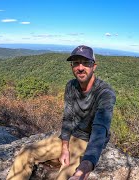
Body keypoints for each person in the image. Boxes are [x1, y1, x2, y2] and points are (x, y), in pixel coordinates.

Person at [6, 45, 116, 180]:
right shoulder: (71, 86)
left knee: (64, 176)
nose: (80, 68)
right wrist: (65, 147)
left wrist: (86, 165)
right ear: (71, 66)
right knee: (26, 153)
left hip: (88, 142)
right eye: (76, 63)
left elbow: (100, 128)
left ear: (94, 66)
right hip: (71, 137)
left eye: (86, 63)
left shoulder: (105, 94)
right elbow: (68, 118)